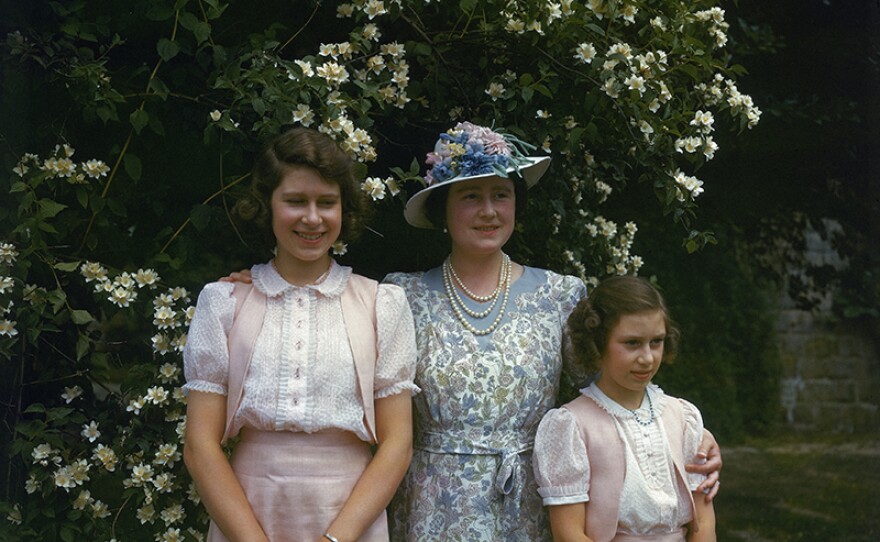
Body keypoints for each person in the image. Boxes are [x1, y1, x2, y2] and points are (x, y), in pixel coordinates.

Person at [221, 122, 722, 541]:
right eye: (470, 197)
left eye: (500, 196)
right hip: (429, 506)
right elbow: (327, 334)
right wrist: (259, 286)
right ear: (442, 209)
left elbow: (612, 391)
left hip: (536, 502)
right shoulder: (400, 296)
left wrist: (687, 438)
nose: (488, 210)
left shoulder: (560, 295)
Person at [183, 127, 418, 542]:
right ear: (267, 207)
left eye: (327, 203)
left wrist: (337, 538)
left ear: (344, 210)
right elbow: (200, 445)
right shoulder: (225, 303)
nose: (313, 218)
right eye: (295, 201)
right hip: (248, 511)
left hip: (349, 516)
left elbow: (398, 444)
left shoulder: (381, 305)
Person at [532, 276, 716, 542]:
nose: (647, 358)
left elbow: (704, 519)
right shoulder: (572, 425)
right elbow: (568, 533)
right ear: (598, 342)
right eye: (632, 343)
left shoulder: (682, 417)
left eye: (656, 342)